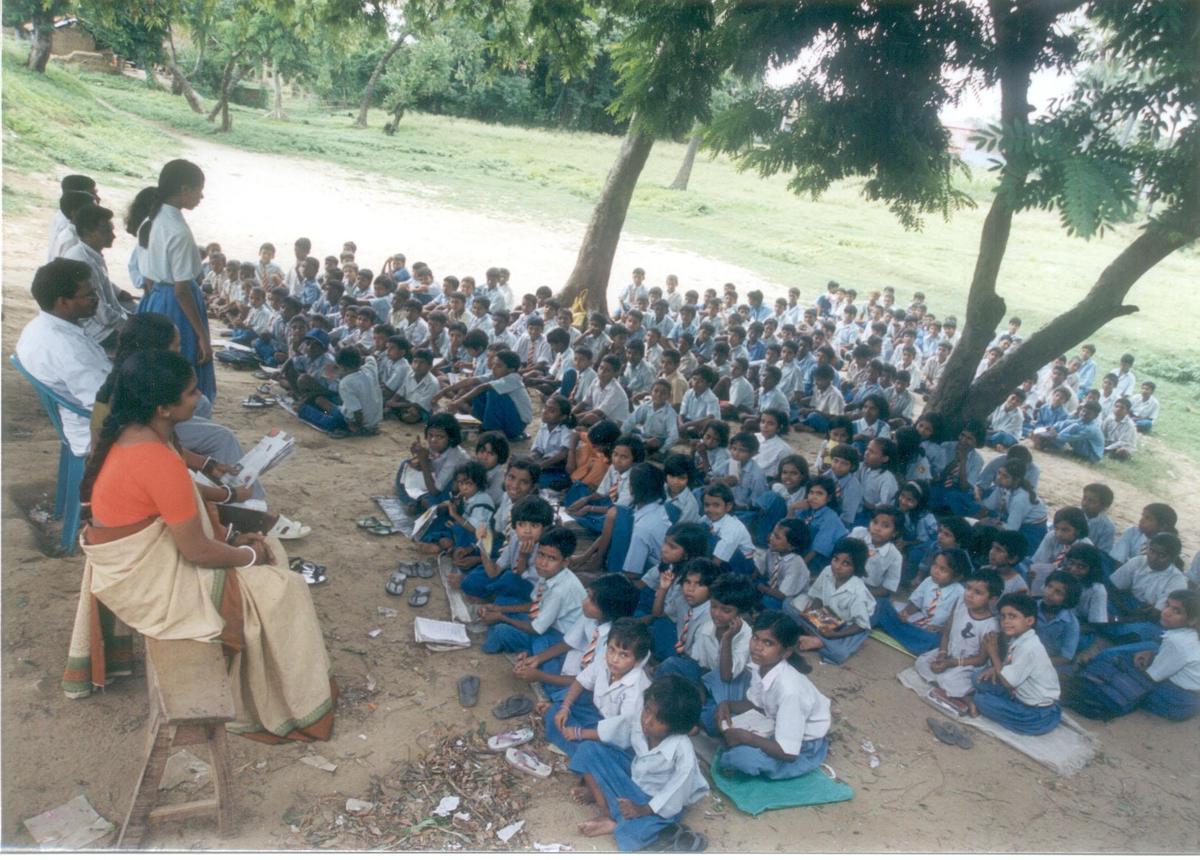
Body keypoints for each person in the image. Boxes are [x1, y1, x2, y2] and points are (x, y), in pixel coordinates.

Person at [62, 350, 336, 742]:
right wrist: (249, 555)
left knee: (266, 554)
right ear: (163, 408)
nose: (199, 397)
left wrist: (231, 521)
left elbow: (181, 499)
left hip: (132, 564)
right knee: (285, 587)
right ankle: (291, 704)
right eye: (191, 392)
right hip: (147, 583)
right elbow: (198, 553)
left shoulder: (134, 433)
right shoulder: (158, 457)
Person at [567, 675, 708, 849]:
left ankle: (616, 823)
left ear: (676, 726)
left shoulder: (682, 750)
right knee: (588, 750)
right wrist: (580, 733)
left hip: (655, 802)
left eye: (659, 720)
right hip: (635, 779)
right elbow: (614, 730)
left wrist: (642, 810)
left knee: (650, 828)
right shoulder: (639, 722)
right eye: (647, 710)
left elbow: (676, 792)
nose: (647, 721)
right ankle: (607, 812)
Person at [133, 159, 215, 400]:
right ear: (184, 190)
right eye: (199, 189)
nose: (201, 196)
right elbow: (182, 291)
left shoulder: (151, 220)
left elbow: (147, 277)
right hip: (177, 306)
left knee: (155, 368)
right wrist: (203, 336)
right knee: (180, 371)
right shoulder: (178, 231)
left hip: (155, 299)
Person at [714, 611, 831, 779]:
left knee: (741, 759)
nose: (757, 647)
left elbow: (789, 753)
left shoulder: (790, 691)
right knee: (717, 718)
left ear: (786, 652)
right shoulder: (761, 665)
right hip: (774, 723)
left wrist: (748, 738)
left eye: (768, 643)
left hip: (802, 745)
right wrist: (726, 704)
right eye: (755, 638)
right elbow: (758, 704)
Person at [15, 259, 111, 458]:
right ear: (63, 302)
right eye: (89, 295)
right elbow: (104, 401)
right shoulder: (69, 349)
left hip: (80, 416)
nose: (96, 298)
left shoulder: (38, 327)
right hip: (93, 431)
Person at [966, 594, 1062, 735]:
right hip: (1019, 694)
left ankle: (1022, 718)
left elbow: (1007, 683)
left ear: (1029, 621)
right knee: (977, 677)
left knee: (980, 699)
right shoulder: (1019, 639)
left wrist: (993, 653)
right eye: (1003, 617)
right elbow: (1011, 665)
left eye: (1012, 616)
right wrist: (994, 668)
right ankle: (998, 703)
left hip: (1035, 713)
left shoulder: (1029, 647)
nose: (1006, 621)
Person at [916, 568, 1002, 716]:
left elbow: (981, 660)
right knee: (921, 662)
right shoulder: (961, 603)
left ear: (992, 599)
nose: (969, 594)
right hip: (949, 653)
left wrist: (951, 663)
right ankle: (952, 692)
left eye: (978, 592)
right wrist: (942, 654)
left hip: (967, 665)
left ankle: (966, 698)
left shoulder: (991, 625)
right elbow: (946, 632)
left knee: (949, 679)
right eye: (968, 588)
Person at [791, 536, 875, 664]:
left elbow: (860, 625)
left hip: (848, 626)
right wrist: (815, 616)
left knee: (839, 654)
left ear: (856, 567)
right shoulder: (827, 571)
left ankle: (818, 641)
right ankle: (819, 639)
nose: (837, 566)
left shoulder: (858, 592)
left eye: (846, 563)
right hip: (827, 616)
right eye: (835, 559)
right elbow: (818, 596)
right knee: (788, 604)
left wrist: (834, 634)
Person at [62, 203, 132, 348]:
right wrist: (128, 324)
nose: (113, 236)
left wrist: (127, 316)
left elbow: (109, 303)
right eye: (106, 231)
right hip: (96, 332)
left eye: (112, 230)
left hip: (104, 323)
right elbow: (101, 313)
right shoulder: (82, 261)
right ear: (88, 232)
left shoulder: (92, 255)